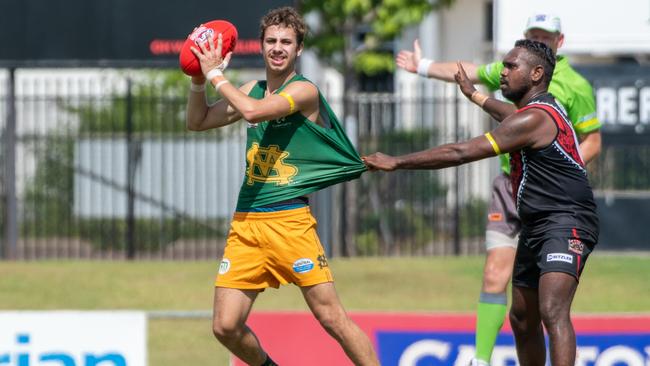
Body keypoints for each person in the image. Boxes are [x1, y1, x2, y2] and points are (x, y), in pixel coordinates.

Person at [366, 39, 598, 366]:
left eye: (510, 66)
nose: (502, 72)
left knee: (552, 310)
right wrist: (475, 95)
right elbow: (510, 114)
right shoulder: (541, 109)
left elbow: (461, 152)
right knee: (520, 315)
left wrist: (397, 162)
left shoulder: (532, 120)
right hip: (538, 224)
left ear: (536, 73)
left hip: (567, 222)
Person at [186, 7, 379, 366]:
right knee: (225, 327)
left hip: (291, 223)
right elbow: (197, 121)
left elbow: (255, 113)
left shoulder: (304, 90)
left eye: (286, 42)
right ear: (260, 46)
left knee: (332, 318)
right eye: (271, 41)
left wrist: (215, 74)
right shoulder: (250, 89)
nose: (278, 48)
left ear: (298, 49)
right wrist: (198, 77)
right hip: (247, 224)